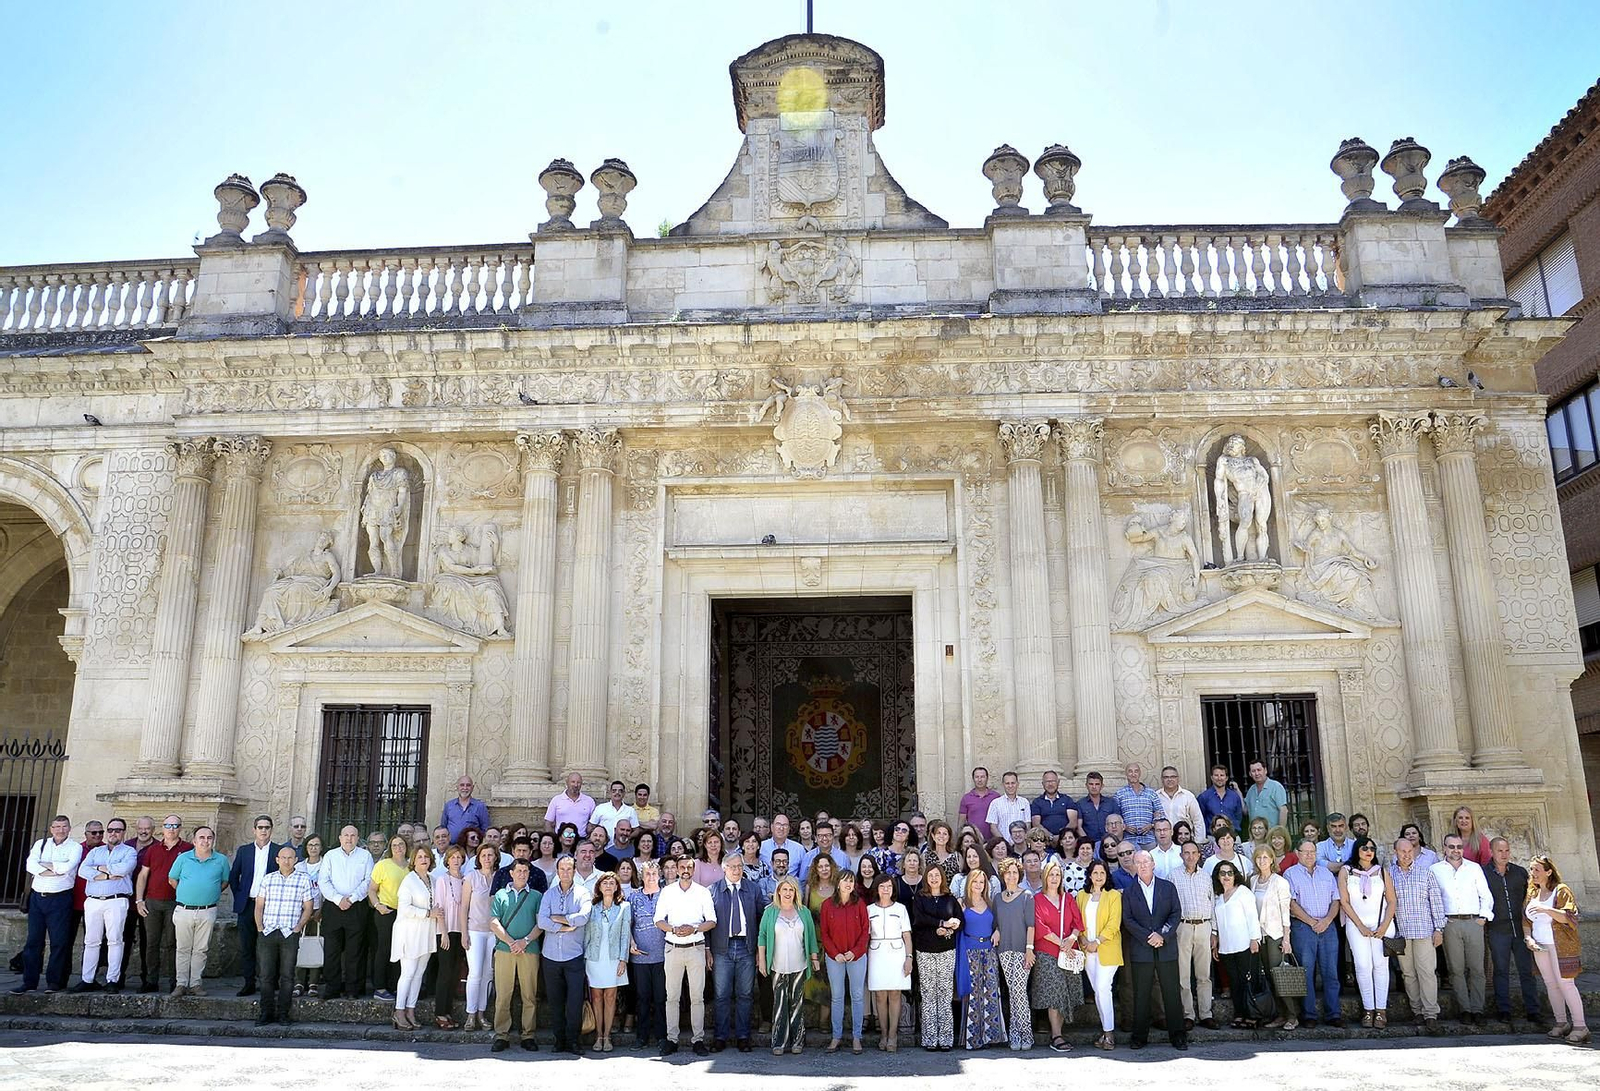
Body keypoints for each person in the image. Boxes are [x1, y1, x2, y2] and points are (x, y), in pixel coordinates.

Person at [1122, 850, 1187, 1050]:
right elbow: (1128, 920)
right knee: (1141, 994)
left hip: (1165, 947)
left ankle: (1178, 1036)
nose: (1142, 865)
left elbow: (1176, 913)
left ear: (1153, 864)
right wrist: (1147, 937)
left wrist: (1162, 935)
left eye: (1145, 862)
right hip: (1142, 949)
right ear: (1134, 866)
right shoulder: (1129, 891)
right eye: (1138, 862)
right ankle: (1139, 1036)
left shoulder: (1167, 887)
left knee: (1171, 993)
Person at [655, 855, 717, 1057]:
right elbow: (658, 920)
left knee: (696, 997)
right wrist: (673, 929)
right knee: (671, 997)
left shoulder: (702, 892)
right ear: (677, 869)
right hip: (672, 947)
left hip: (696, 947)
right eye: (682, 867)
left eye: (689, 867)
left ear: (693, 869)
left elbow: (712, 921)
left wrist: (694, 928)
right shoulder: (667, 892)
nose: (685, 870)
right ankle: (672, 1039)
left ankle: (697, 1039)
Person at [1431, 831, 1494, 1024]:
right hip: (1450, 923)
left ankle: (1478, 1009)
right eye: (1451, 847)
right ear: (1444, 848)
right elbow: (1433, 899)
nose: (1455, 850)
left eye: (1459, 847)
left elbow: (1486, 895)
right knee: (1456, 969)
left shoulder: (1474, 868)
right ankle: (1465, 1009)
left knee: (1477, 969)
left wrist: (1483, 917)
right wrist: (1440, 923)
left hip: (1473, 922)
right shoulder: (1435, 870)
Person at [15, 816, 82, 995]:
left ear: (69, 829)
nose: (60, 830)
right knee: (33, 942)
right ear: (51, 828)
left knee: (59, 942)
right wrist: (54, 869)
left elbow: (67, 868)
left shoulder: (75, 847)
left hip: (60, 899)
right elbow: (30, 864)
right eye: (57, 826)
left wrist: (45, 868)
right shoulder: (40, 844)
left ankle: (55, 982)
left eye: (64, 826)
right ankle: (29, 982)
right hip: (37, 898)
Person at [1525, 854, 1588, 1044]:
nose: (1533, 873)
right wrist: (1528, 938)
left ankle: (1580, 1026)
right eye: (1531, 869)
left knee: (1566, 984)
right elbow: (1525, 919)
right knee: (1550, 984)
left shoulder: (1561, 890)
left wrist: (1546, 910)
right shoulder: (1532, 893)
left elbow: (1570, 917)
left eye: (1537, 869)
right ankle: (1561, 1023)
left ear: (1548, 871)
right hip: (1540, 944)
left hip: (1561, 945)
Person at [1485, 836, 1547, 1025]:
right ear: (1492, 852)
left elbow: (1533, 896)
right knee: (1501, 971)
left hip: (1521, 929)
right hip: (1498, 930)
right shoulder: (1483, 874)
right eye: (1499, 851)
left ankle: (1533, 1011)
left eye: (1506, 850)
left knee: (1526, 971)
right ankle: (1504, 1010)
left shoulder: (1520, 873)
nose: (1504, 854)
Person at [1388, 835, 1446, 1034]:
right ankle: (1417, 1011)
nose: (1406, 855)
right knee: (1408, 974)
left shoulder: (1425, 874)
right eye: (1402, 851)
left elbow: (1436, 902)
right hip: (1402, 933)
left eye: (1409, 851)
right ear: (1395, 852)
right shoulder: (1388, 875)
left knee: (1427, 973)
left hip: (1424, 931)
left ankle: (1430, 1013)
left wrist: (1439, 928)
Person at [72, 816, 137, 993]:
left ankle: (112, 980)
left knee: (115, 940)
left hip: (116, 900)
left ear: (123, 833)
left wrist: (98, 869)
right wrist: (108, 872)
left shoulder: (129, 852)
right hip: (93, 900)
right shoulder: (95, 852)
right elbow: (82, 870)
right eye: (110, 830)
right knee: (91, 941)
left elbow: (123, 870)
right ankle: (87, 979)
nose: (113, 833)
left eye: (117, 830)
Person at [757, 874, 820, 1056]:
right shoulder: (770, 911)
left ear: (795, 892)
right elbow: (762, 936)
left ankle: (797, 1041)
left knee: (797, 1003)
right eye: (784, 889)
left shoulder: (803, 911)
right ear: (778, 891)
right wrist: (762, 959)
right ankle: (778, 1042)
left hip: (799, 964)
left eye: (791, 889)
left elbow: (811, 938)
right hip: (777, 965)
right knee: (780, 1003)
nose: (787, 892)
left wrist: (814, 959)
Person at [1338, 835, 1396, 1029]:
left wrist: (1384, 925)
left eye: (1372, 848)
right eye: (1364, 848)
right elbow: (1344, 901)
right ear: (1357, 850)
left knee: (1380, 966)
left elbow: (1392, 900)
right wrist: (1360, 925)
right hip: (1357, 925)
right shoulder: (1346, 872)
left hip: (1381, 924)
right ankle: (1368, 1009)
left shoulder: (1381, 872)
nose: (1369, 851)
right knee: (1363, 966)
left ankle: (1381, 1010)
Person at [1283, 838, 1341, 1027]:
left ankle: (1334, 1014)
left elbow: (1336, 900)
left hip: (1328, 927)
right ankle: (1309, 1015)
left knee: (1330, 972)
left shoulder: (1326, 873)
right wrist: (1311, 921)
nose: (1309, 855)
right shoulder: (1290, 874)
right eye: (1305, 852)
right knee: (1306, 973)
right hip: (1303, 927)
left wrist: (1326, 921)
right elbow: (1290, 903)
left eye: (1313, 852)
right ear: (1297, 853)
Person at [253, 844, 313, 1026]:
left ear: (296, 860)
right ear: (277, 860)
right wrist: (260, 928)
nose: (286, 861)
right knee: (265, 975)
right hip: (268, 932)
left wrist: (298, 928)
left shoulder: (304, 879)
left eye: (290, 858)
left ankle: (283, 1014)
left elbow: (308, 907)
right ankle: (266, 1013)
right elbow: (259, 906)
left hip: (289, 933)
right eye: (283, 858)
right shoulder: (268, 879)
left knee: (287, 976)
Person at [708, 853, 764, 1052]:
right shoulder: (713, 890)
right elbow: (706, 921)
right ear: (724, 868)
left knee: (745, 994)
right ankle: (720, 1037)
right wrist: (708, 950)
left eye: (739, 866)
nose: (736, 870)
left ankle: (743, 1036)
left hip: (746, 948)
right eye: (732, 866)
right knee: (722, 995)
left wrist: (759, 949)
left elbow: (761, 920)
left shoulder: (753, 889)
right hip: (721, 948)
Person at [166, 826, 229, 998]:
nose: (205, 841)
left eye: (209, 838)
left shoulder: (221, 860)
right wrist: (187, 893)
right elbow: (172, 879)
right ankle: (181, 984)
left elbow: (224, 882)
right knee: (183, 948)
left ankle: (195, 984)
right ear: (194, 841)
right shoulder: (184, 858)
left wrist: (208, 893)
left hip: (207, 911)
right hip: (184, 909)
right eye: (201, 837)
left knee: (201, 949)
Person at [489, 858, 544, 1053]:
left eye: (525, 871)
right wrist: (511, 942)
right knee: (503, 994)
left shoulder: (537, 896)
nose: (522, 874)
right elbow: (494, 922)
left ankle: (528, 1035)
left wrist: (525, 941)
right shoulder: (501, 895)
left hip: (529, 951)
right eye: (519, 870)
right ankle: (501, 1035)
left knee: (529, 994)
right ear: (511, 873)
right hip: (505, 950)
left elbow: (540, 924)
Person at [539, 854, 592, 1055]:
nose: (566, 872)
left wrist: (558, 919)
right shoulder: (548, 895)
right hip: (551, 957)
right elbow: (542, 921)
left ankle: (573, 1040)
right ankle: (559, 1040)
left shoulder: (583, 893)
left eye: (569, 869)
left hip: (574, 956)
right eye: (562, 869)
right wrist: (563, 927)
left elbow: (583, 917)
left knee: (574, 1002)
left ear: (575, 871)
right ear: (558, 871)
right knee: (555, 1001)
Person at [133, 815, 190, 995]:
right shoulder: (153, 849)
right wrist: (139, 900)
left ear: (180, 828)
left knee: (174, 943)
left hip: (177, 903)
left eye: (175, 825)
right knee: (151, 943)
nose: (171, 829)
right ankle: (151, 981)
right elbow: (143, 875)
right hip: (152, 902)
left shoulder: (189, 849)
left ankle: (176, 982)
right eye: (168, 825)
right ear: (162, 828)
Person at [228, 814, 282, 998]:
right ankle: (249, 983)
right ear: (254, 830)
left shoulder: (278, 850)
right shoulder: (244, 851)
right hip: (247, 905)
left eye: (267, 827)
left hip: (270, 907)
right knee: (247, 946)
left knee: (270, 946)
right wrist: (241, 896)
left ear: (271, 830)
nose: (263, 831)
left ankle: (271, 982)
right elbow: (234, 877)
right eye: (260, 827)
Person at [317, 825, 374, 1001]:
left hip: (356, 907)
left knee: (355, 951)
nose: (349, 839)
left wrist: (352, 898)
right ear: (340, 838)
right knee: (332, 951)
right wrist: (337, 899)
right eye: (346, 835)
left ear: (358, 838)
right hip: (333, 907)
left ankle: (352, 989)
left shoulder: (365, 856)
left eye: (353, 835)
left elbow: (368, 880)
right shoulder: (330, 856)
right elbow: (323, 881)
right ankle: (332, 988)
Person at [910, 863, 961, 1051]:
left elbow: (960, 921)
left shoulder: (950, 899)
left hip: (947, 950)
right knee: (929, 995)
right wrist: (941, 923)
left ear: (942, 877)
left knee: (945, 994)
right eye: (930, 876)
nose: (933, 879)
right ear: (926, 878)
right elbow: (919, 920)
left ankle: (946, 1038)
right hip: (925, 951)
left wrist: (952, 925)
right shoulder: (920, 898)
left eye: (937, 875)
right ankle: (930, 1038)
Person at [955, 863, 1006, 1050]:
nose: (978, 884)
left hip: (989, 951)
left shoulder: (991, 903)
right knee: (973, 994)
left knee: (991, 992)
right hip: (970, 951)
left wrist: (998, 931)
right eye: (975, 881)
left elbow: (998, 924)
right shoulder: (962, 903)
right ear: (969, 883)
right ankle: (972, 1039)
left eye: (982, 882)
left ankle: (990, 1037)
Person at [820, 868, 869, 1054]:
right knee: (837, 996)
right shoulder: (827, 906)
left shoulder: (860, 905)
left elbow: (865, 932)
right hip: (835, 958)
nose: (848, 884)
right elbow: (824, 933)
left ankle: (857, 1037)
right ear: (838, 883)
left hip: (856, 957)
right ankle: (836, 1037)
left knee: (857, 996)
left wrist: (855, 952)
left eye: (851, 881)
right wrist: (835, 953)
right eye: (845, 880)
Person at [1169, 839, 1217, 1031]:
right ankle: (1188, 1014)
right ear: (1181, 855)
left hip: (1204, 926)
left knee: (1204, 975)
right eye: (1186, 853)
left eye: (1193, 853)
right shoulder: (1173, 876)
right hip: (1183, 927)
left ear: (1199, 855)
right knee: (1183, 975)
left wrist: (1214, 931)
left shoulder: (1206, 877)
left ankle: (1206, 1014)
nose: (1190, 856)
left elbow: (1212, 903)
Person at [1210, 860, 1263, 1028]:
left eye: (1229, 873)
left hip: (1245, 944)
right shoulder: (1218, 896)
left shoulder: (1243, 892)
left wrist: (1255, 939)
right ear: (1217, 876)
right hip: (1226, 946)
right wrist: (1215, 937)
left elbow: (1252, 916)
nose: (1226, 876)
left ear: (1235, 875)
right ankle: (1239, 1014)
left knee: (1249, 980)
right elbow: (1215, 921)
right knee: (1235, 983)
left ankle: (1252, 1014)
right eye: (1222, 873)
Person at [1076, 859, 1123, 1050]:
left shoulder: (1113, 896)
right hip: (1087, 950)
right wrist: (1083, 940)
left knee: (1103, 988)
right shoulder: (1081, 896)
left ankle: (1110, 1033)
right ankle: (1105, 1032)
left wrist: (1097, 942)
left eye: (1102, 873)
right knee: (1098, 991)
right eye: (1095, 873)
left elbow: (1114, 923)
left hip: (1107, 948)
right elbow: (1076, 921)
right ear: (1089, 875)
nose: (1098, 876)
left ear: (1106, 875)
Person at [991, 859, 1035, 1051]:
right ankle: (1015, 1034)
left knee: (1019, 991)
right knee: (1013, 992)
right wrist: (997, 930)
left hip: (1022, 949)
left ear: (1019, 875)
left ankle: (1026, 1033)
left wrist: (1029, 949)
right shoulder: (998, 898)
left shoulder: (1027, 896)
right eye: (1008, 872)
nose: (1011, 876)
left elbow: (1031, 926)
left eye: (1015, 872)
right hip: (1004, 950)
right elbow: (997, 923)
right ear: (1003, 875)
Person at [866, 872, 913, 1051]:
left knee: (895, 994)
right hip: (876, 954)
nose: (885, 890)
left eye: (889, 886)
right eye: (882, 886)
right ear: (877, 889)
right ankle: (883, 1034)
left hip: (897, 953)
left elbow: (907, 936)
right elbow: (866, 936)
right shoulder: (869, 910)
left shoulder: (900, 909)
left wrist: (909, 958)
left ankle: (893, 1035)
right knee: (879, 995)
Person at [584, 871, 631, 1052]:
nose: (608, 886)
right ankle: (598, 1036)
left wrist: (623, 960)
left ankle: (607, 1036)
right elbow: (586, 934)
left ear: (617, 886)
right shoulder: (592, 907)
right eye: (605, 883)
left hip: (614, 958)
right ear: (599, 887)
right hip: (594, 957)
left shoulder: (624, 907)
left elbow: (625, 935)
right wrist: (584, 958)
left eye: (612, 883)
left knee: (610, 997)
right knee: (596, 996)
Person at [1249, 843, 1295, 1028]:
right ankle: (1280, 1015)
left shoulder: (1280, 882)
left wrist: (1286, 938)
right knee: (1269, 976)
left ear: (1272, 860)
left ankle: (1292, 1015)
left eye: (1265, 857)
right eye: (1259, 858)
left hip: (1276, 934)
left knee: (1280, 976)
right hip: (1260, 936)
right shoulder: (1252, 881)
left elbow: (1286, 912)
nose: (1262, 861)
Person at [627, 859, 667, 1049]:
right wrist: (631, 943)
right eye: (647, 874)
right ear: (641, 876)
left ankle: (661, 1036)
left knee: (660, 997)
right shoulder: (633, 897)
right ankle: (641, 1036)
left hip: (663, 955)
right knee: (642, 997)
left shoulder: (667, 895)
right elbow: (627, 925)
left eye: (654, 873)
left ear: (659, 876)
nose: (651, 877)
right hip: (640, 955)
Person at [458, 842, 499, 1030]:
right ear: (478, 858)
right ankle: (470, 1014)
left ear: (495, 857)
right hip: (475, 930)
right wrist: (464, 933)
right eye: (484, 855)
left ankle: (482, 1013)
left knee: (488, 973)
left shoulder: (500, 878)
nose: (487, 858)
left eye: (490, 855)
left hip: (494, 932)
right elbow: (463, 907)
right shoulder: (471, 878)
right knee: (474, 973)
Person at [426, 844, 468, 1029]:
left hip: (461, 931)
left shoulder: (466, 880)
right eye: (453, 857)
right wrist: (443, 933)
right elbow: (440, 907)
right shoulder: (442, 880)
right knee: (444, 973)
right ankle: (440, 1013)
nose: (456, 860)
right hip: (446, 931)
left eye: (459, 857)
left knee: (454, 973)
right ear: (447, 860)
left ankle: (448, 1011)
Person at [367, 834, 409, 1001]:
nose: (398, 848)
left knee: (402, 951)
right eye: (394, 845)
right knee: (384, 949)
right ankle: (380, 987)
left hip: (406, 915)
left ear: (406, 846)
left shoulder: (411, 866)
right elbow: (371, 890)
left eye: (401, 844)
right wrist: (378, 905)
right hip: (386, 912)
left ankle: (396, 986)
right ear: (390, 848)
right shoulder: (383, 865)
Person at [292, 833, 325, 998]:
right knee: (299, 945)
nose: (313, 848)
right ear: (306, 847)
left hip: (319, 912)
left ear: (321, 847)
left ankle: (313, 982)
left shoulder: (326, 865)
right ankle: (299, 982)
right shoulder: (298, 867)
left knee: (315, 945)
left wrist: (321, 910)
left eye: (317, 845)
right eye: (310, 845)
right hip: (300, 912)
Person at [1156, 767, 1204, 839]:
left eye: (1173, 777)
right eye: (1166, 777)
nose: (1169, 779)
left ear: (1178, 779)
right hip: (1163, 840)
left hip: (1184, 839)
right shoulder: (1156, 796)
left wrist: (1199, 841)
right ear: (1162, 779)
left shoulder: (1188, 796)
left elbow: (1198, 821)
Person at [983, 772, 1030, 846]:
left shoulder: (1025, 802)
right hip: (1003, 846)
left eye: (1013, 783)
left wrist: (1021, 840)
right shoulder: (995, 803)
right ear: (1003, 785)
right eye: (1007, 783)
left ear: (1017, 784)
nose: (1010, 786)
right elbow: (993, 827)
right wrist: (1005, 843)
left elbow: (1027, 824)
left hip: (1020, 845)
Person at [545, 771, 597, 836]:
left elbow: (594, 823)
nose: (576, 785)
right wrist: (553, 839)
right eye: (573, 782)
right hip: (561, 840)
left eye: (578, 782)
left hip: (582, 841)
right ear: (567, 783)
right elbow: (548, 823)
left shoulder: (589, 801)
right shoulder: (556, 800)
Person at [440, 775, 491, 842]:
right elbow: (443, 827)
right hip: (451, 848)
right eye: (462, 785)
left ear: (472, 787)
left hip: (471, 849)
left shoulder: (480, 806)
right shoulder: (449, 805)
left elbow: (485, 829)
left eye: (468, 785)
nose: (465, 788)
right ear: (457, 787)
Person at [1198, 764, 1245, 835]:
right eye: (1216, 775)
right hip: (1212, 837)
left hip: (1232, 836)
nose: (1219, 778)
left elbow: (1238, 817)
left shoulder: (1234, 796)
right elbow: (1200, 818)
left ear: (1226, 778)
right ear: (1212, 777)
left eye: (1222, 775)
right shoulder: (1204, 797)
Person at [1030, 770, 1078, 837]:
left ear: (1058, 782)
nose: (1050, 784)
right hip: (1045, 840)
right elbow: (1036, 824)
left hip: (1065, 840)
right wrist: (1051, 837)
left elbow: (1073, 822)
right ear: (1042, 784)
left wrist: (1061, 837)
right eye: (1047, 781)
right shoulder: (1037, 802)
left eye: (1053, 781)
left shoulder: (1067, 800)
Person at [1244, 761, 1289, 828]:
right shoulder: (1251, 790)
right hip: (1256, 834)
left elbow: (1283, 810)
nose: (1256, 773)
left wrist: (1280, 831)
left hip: (1272, 834)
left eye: (1259, 770)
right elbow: (1245, 811)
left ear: (1265, 771)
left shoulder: (1276, 787)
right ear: (1250, 774)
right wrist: (1237, 791)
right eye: (1253, 771)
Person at [959, 766, 1000, 838]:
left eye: (982, 777)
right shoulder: (966, 798)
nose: (979, 780)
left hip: (993, 840)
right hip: (973, 839)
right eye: (977, 777)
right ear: (973, 779)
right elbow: (961, 822)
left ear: (987, 778)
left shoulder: (995, 797)